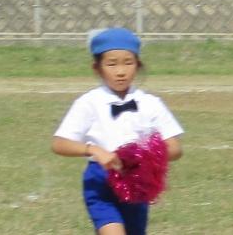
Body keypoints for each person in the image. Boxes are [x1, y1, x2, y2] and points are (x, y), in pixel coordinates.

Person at [52, 28, 183, 235]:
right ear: (97, 68)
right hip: (100, 182)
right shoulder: (88, 103)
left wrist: (147, 154)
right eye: (112, 64)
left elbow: (175, 148)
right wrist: (94, 150)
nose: (120, 72)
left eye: (128, 63)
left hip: (137, 182)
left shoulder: (151, 103)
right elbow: (59, 143)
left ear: (138, 65)